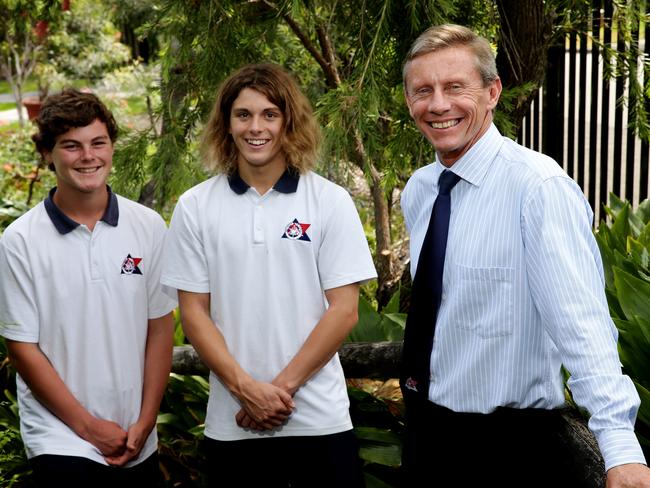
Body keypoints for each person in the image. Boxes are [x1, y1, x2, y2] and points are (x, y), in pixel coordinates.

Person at [399, 24, 650, 487]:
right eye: (422, 91)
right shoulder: (420, 191)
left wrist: (619, 446)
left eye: (455, 87)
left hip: (513, 449)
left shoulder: (537, 189)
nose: (438, 104)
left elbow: (582, 323)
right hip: (426, 435)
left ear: (492, 92)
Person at [160, 63, 377, 487]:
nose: (255, 127)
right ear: (227, 123)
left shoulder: (329, 202)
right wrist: (245, 390)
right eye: (243, 115)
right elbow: (194, 314)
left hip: (319, 421)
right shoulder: (195, 206)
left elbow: (345, 310)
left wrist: (276, 392)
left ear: (288, 122)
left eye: (269, 114)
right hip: (233, 423)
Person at [0, 89, 176, 487]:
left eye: (98, 142)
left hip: (136, 434)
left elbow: (160, 327)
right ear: (47, 153)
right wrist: (88, 427)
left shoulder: (147, 226)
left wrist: (147, 420)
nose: (88, 156)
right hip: (60, 436)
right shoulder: (21, 240)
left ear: (112, 147)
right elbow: (21, 347)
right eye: (71, 146)